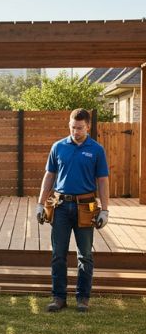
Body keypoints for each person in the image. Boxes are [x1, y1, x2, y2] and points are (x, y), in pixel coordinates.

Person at [36, 108, 109, 313]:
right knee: (58, 254)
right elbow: (49, 176)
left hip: (86, 207)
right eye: (72, 127)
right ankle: (58, 297)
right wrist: (40, 204)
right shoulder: (58, 147)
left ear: (88, 126)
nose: (75, 132)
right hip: (60, 207)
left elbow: (103, 181)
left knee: (84, 255)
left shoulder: (96, 150)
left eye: (79, 128)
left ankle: (82, 298)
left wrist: (105, 210)